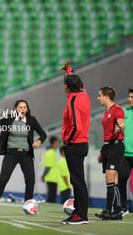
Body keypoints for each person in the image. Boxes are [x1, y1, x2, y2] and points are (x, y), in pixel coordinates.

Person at [0, 99, 46, 214]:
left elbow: (43, 135)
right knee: (3, 179)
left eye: (24, 107)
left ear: (27, 109)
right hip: (11, 153)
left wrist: (39, 141)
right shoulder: (9, 119)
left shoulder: (31, 120)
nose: (22, 109)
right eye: (20, 107)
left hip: (26, 154)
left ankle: (28, 205)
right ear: (16, 109)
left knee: (30, 180)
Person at [60, 60, 91, 225]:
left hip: (75, 144)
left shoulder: (73, 101)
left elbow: (76, 126)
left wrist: (67, 140)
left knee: (77, 180)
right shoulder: (83, 94)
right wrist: (68, 71)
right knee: (77, 179)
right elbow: (79, 83)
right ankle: (78, 213)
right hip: (82, 143)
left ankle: (82, 215)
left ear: (67, 87)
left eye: (65, 83)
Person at [95, 86, 125, 220]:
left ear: (106, 96)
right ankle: (117, 211)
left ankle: (109, 210)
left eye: (99, 95)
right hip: (108, 146)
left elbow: (121, 124)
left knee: (110, 178)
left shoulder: (117, 110)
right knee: (113, 180)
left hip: (116, 146)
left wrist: (119, 129)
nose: (98, 98)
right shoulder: (106, 112)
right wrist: (103, 151)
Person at [119, 88, 133, 215]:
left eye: (132, 97)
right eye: (129, 96)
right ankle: (123, 206)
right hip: (126, 154)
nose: (129, 99)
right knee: (122, 180)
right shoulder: (124, 112)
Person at [42, 136, 60, 203]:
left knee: (51, 196)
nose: (58, 144)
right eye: (57, 142)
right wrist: (43, 175)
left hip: (51, 178)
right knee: (52, 197)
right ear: (54, 143)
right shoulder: (51, 152)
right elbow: (48, 166)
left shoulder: (51, 152)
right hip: (51, 178)